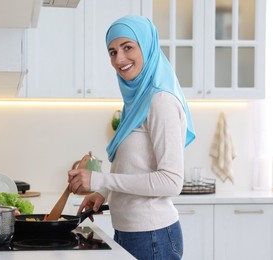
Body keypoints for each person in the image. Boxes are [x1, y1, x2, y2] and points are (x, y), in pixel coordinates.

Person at [68, 15, 195, 259]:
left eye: (128, 47)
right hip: (133, 232)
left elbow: (171, 181)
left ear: (146, 46)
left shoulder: (160, 101)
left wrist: (99, 180)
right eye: (113, 52)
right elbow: (132, 164)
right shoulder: (138, 100)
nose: (119, 59)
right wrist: (102, 192)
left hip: (152, 236)